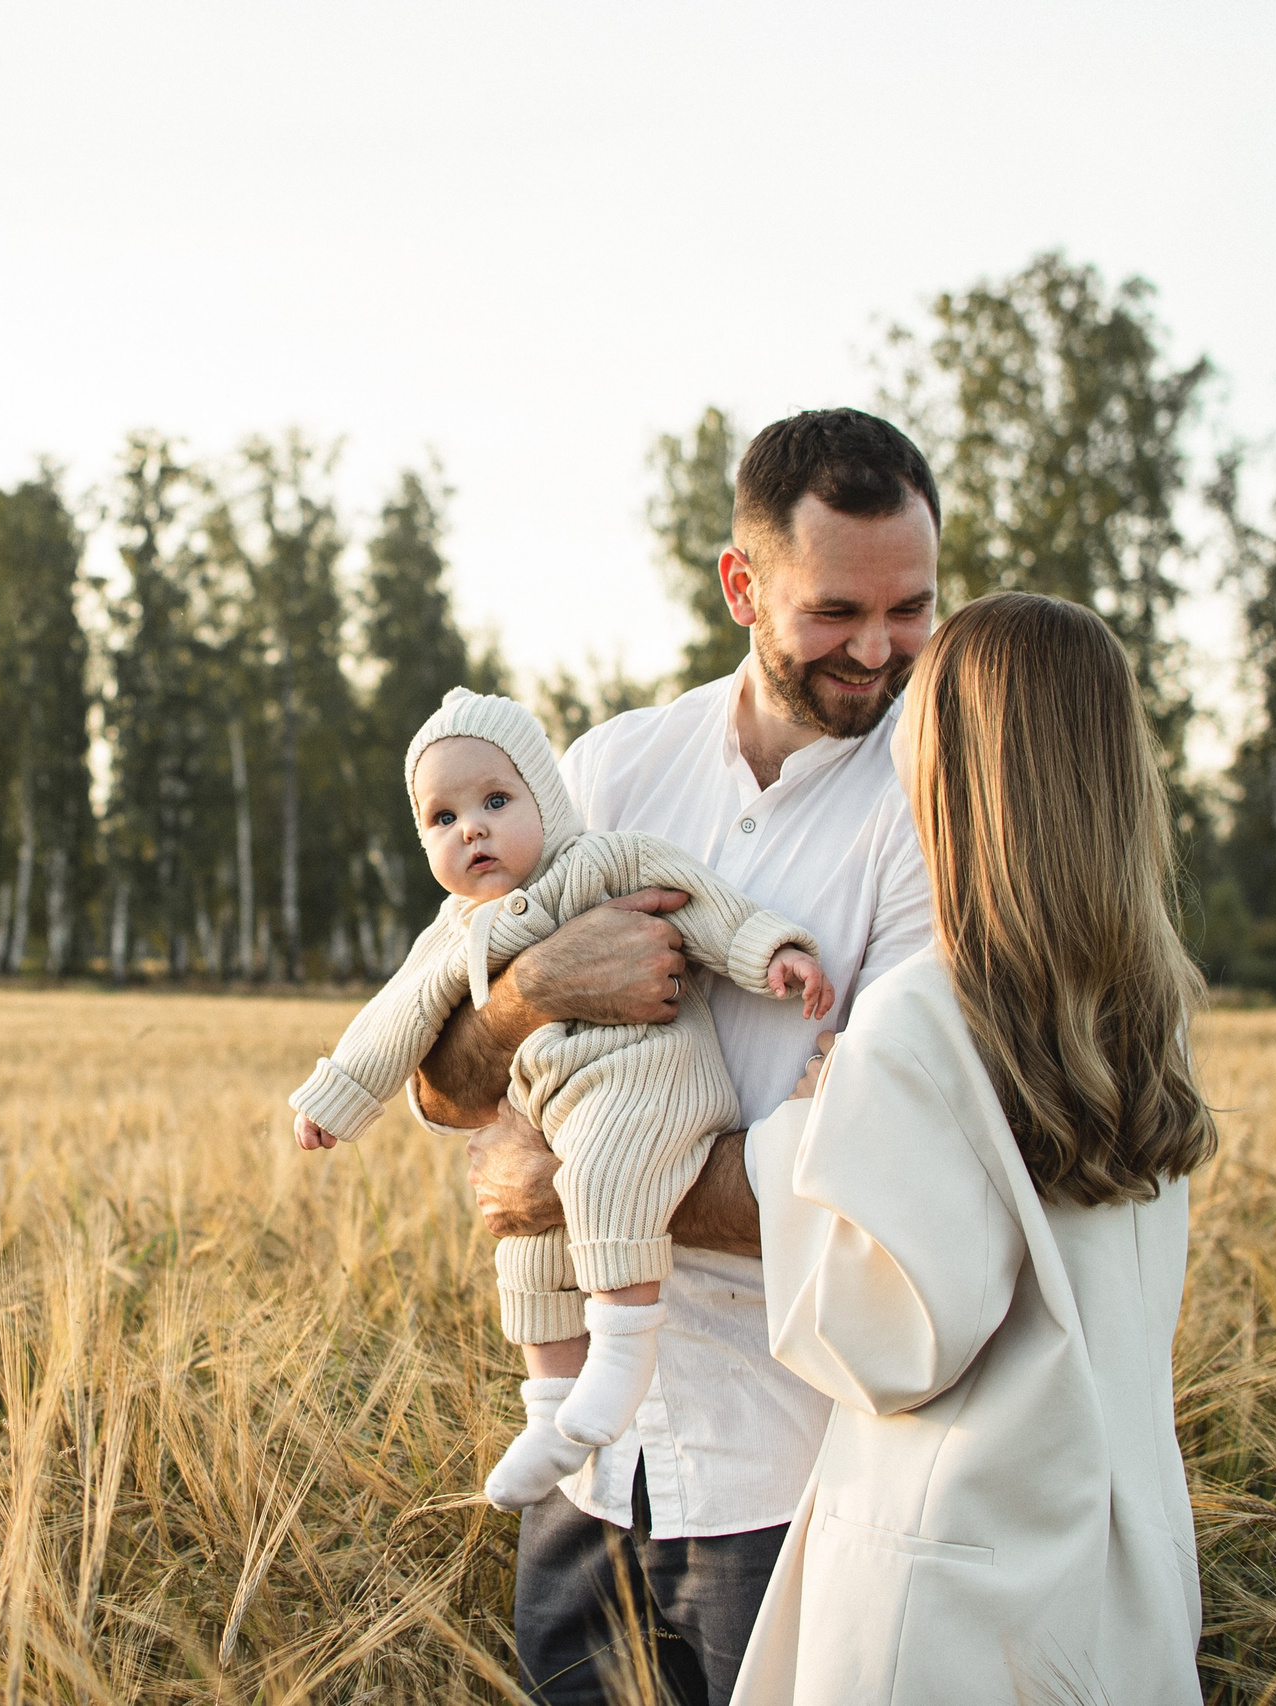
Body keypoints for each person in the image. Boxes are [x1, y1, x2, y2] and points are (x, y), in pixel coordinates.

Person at [414, 409, 939, 1704]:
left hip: (793, 1476)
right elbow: (437, 1081)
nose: (879, 650)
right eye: (836, 610)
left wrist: (572, 1183)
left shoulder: (937, 814)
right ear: (742, 584)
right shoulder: (604, 767)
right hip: (586, 1462)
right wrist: (531, 990)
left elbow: (888, 1180)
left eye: (912, 607)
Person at [732, 591, 1213, 1705]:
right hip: (1116, 1563)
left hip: (948, 1594)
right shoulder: (1148, 1010)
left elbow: (883, 1342)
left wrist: (795, 1134)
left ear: (950, 772)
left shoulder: (919, 1014)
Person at [288, 688, 832, 1511]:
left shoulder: (605, 861)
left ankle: (618, 1365)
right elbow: (394, 1019)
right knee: (528, 1242)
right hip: (554, 1106)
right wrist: (337, 1096)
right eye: (442, 818)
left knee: (600, 1177)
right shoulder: (453, 933)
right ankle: (549, 1408)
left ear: (546, 797)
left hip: (651, 1081)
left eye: (496, 802)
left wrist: (773, 952)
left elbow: (712, 907)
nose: (471, 828)